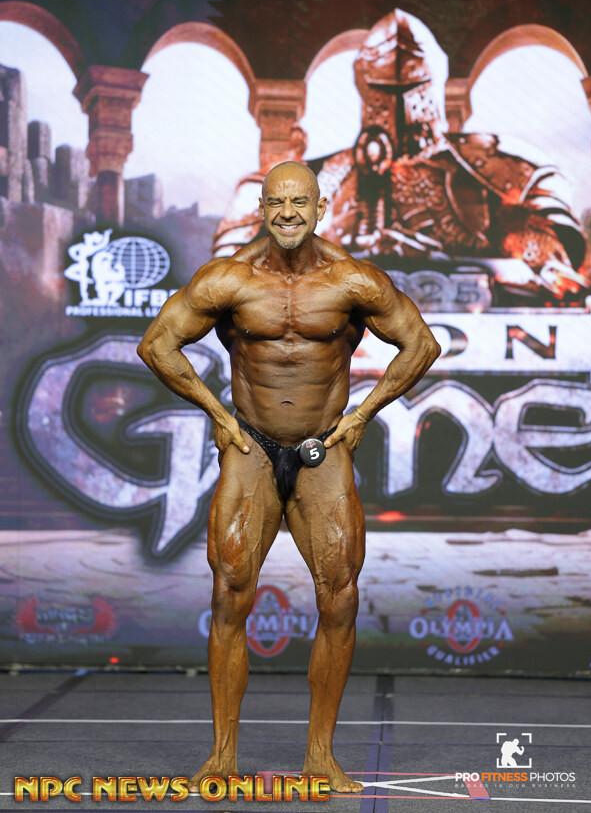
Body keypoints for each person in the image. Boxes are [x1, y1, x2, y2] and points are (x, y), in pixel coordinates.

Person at [137, 160, 441, 793]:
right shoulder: (230, 278)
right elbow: (157, 344)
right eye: (276, 202)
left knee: (341, 597)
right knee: (229, 595)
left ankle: (321, 757)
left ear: (321, 206)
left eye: (299, 202)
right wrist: (218, 413)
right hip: (250, 447)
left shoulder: (352, 279)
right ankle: (223, 755)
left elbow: (421, 344)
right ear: (262, 209)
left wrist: (363, 413)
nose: (287, 213)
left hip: (321, 449)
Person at [213, 10, 588, 303]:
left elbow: (554, 260)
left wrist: (516, 245)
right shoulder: (315, 178)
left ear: (433, 83)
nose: (399, 106)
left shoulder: (503, 167)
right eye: (383, 91)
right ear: (365, 87)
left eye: (413, 88)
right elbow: (227, 280)